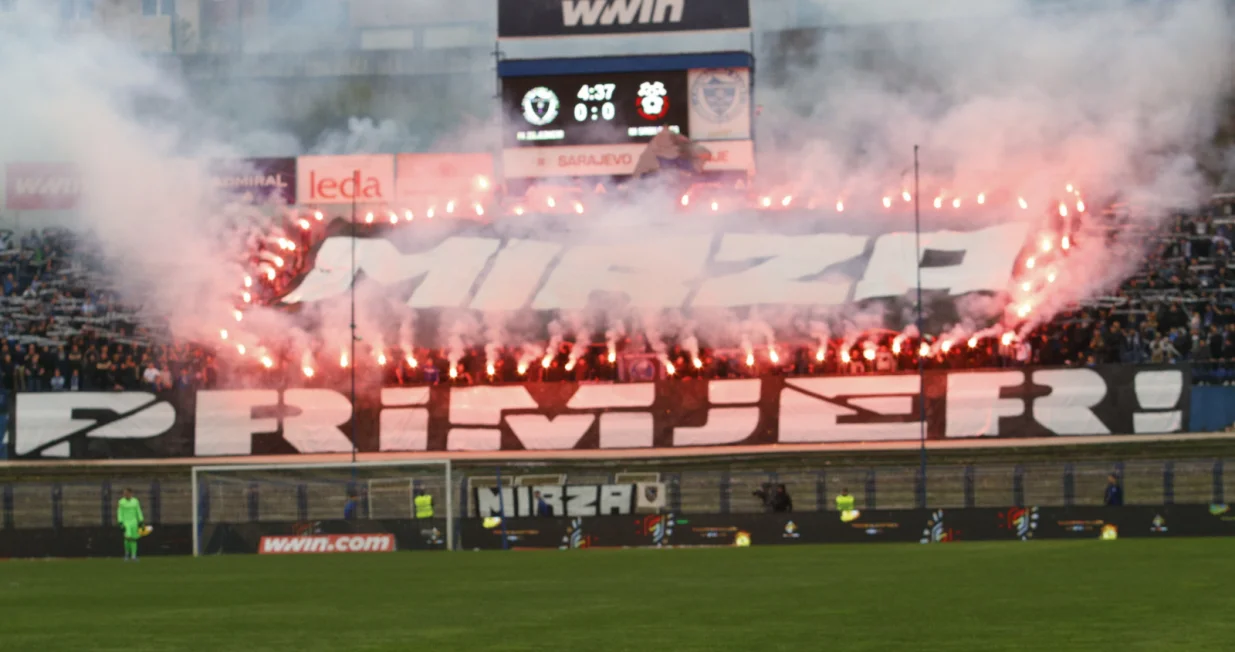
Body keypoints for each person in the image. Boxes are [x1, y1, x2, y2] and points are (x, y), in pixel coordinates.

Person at [117, 488, 144, 561]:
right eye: (124, 493)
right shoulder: (121, 502)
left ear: (130, 493)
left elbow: (138, 510)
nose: (125, 495)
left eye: (126, 493)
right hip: (126, 522)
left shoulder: (135, 501)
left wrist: (141, 520)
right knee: (127, 537)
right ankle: (126, 554)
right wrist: (120, 522)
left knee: (134, 539)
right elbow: (120, 512)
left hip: (134, 522)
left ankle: (133, 556)